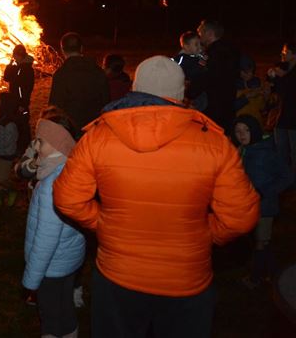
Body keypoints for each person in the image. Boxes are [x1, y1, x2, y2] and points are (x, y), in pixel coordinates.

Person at [54, 55, 259, 338]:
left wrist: (102, 222)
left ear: (135, 88)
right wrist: (206, 233)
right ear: (181, 94)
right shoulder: (215, 144)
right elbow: (240, 217)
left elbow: (67, 198)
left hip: (118, 276)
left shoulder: (98, 136)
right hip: (186, 281)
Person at [23, 109, 84, 338]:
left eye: (41, 141)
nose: (36, 147)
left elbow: (46, 239)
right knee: (65, 309)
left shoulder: (52, 186)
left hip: (51, 266)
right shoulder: (73, 172)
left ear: (58, 144)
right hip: (69, 260)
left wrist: (32, 278)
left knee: (50, 316)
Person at [232, 115, 293, 289]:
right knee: (260, 241)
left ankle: (255, 278)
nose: (242, 134)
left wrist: (266, 191)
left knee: (261, 241)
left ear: (255, 131)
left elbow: (287, 176)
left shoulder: (266, 153)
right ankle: (271, 271)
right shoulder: (242, 151)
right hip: (248, 205)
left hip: (264, 206)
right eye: (238, 131)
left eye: (246, 130)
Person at [48, 32, 109, 136]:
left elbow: (55, 106)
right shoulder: (98, 71)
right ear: (81, 48)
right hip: (93, 128)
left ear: (62, 50)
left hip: (71, 130)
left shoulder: (61, 74)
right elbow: (106, 100)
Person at [192, 19, 240, 133]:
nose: (199, 37)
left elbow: (205, 77)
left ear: (209, 34)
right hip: (228, 104)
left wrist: (190, 93)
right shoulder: (232, 51)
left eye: (200, 33)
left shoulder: (212, 54)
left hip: (212, 107)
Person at [267, 41, 296, 171]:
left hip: (293, 118)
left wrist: (281, 76)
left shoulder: (288, 73)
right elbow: (276, 90)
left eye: (285, 52)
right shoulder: (282, 68)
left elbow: (290, 89)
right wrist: (272, 78)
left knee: (294, 151)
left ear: (294, 54)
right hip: (280, 116)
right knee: (280, 150)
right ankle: (283, 177)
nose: (282, 54)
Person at [0, 92, 20, 209]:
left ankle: (12, 190)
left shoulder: (10, 124)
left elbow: (7, 142)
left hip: (6, 156)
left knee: (1, 177)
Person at [3, 44, 34, 154]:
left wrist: (22, 104)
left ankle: (25, 149)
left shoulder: (26, 69)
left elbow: (26, 88)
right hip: (16, 102)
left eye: (15, 56)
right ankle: (19, 148)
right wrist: (10, 65)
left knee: (23, 125)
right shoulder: (17, 67)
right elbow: (6, 77)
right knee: (17, 124)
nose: (14, 58)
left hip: (21, 103)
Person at [174, 30, 207, 111]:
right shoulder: (182, 59)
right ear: (186, 47)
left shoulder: (195, 56)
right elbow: (192, 73)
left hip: (198, 91)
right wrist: (202, 63)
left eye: (200, 44)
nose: (199, 47)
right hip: (189, 94)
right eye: (196, 44)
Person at [234, 55, 267, 127]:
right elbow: (229, 108)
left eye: (252, 71)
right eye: (246, 72)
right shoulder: (232, 84)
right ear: (239, 71)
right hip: (240, 125)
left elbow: (263, 109)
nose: (250, 74)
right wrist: (247, 96)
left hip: (256, 124)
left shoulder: (258, 83)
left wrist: (266, 97)